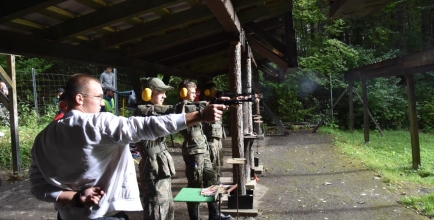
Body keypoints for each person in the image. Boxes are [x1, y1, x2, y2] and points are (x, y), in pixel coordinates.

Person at [29, 74, 226, 220]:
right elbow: (147, 126)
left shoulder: (42, 137)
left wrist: (78, 197)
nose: (102, 103)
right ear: (80, 98)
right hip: (105, 216)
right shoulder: (98, 123)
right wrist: (199, 116)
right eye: (98, 97)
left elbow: (39, 188)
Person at [175, 80, 231, 220]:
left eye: (195, 92)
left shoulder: (195, 106)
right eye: (192, 92)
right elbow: (198, 107)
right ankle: (194, 217)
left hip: (203, 149)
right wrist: (213, 103)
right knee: (194, 184)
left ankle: (214, 214)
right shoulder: (181, 107)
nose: (195, 95)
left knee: (211, 179)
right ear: (183, 92)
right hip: (193, 151)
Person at [133, 77, 176, 220]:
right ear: (147, 93)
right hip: (153, 168)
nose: (164, 96)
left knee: (166, 207)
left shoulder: (153, 112)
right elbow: (171, 111)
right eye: (160, 92)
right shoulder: (142, 111)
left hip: (160, 166)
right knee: (156, 209)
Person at [200, 82, 224, 183]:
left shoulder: (214, 102)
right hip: (210, 137)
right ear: (207, 91)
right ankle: (212, 182)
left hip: (217, 136)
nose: (214, 92)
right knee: (213, 159)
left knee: (219, 159)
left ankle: (217, 177)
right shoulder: (203, 104)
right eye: (212, 90)